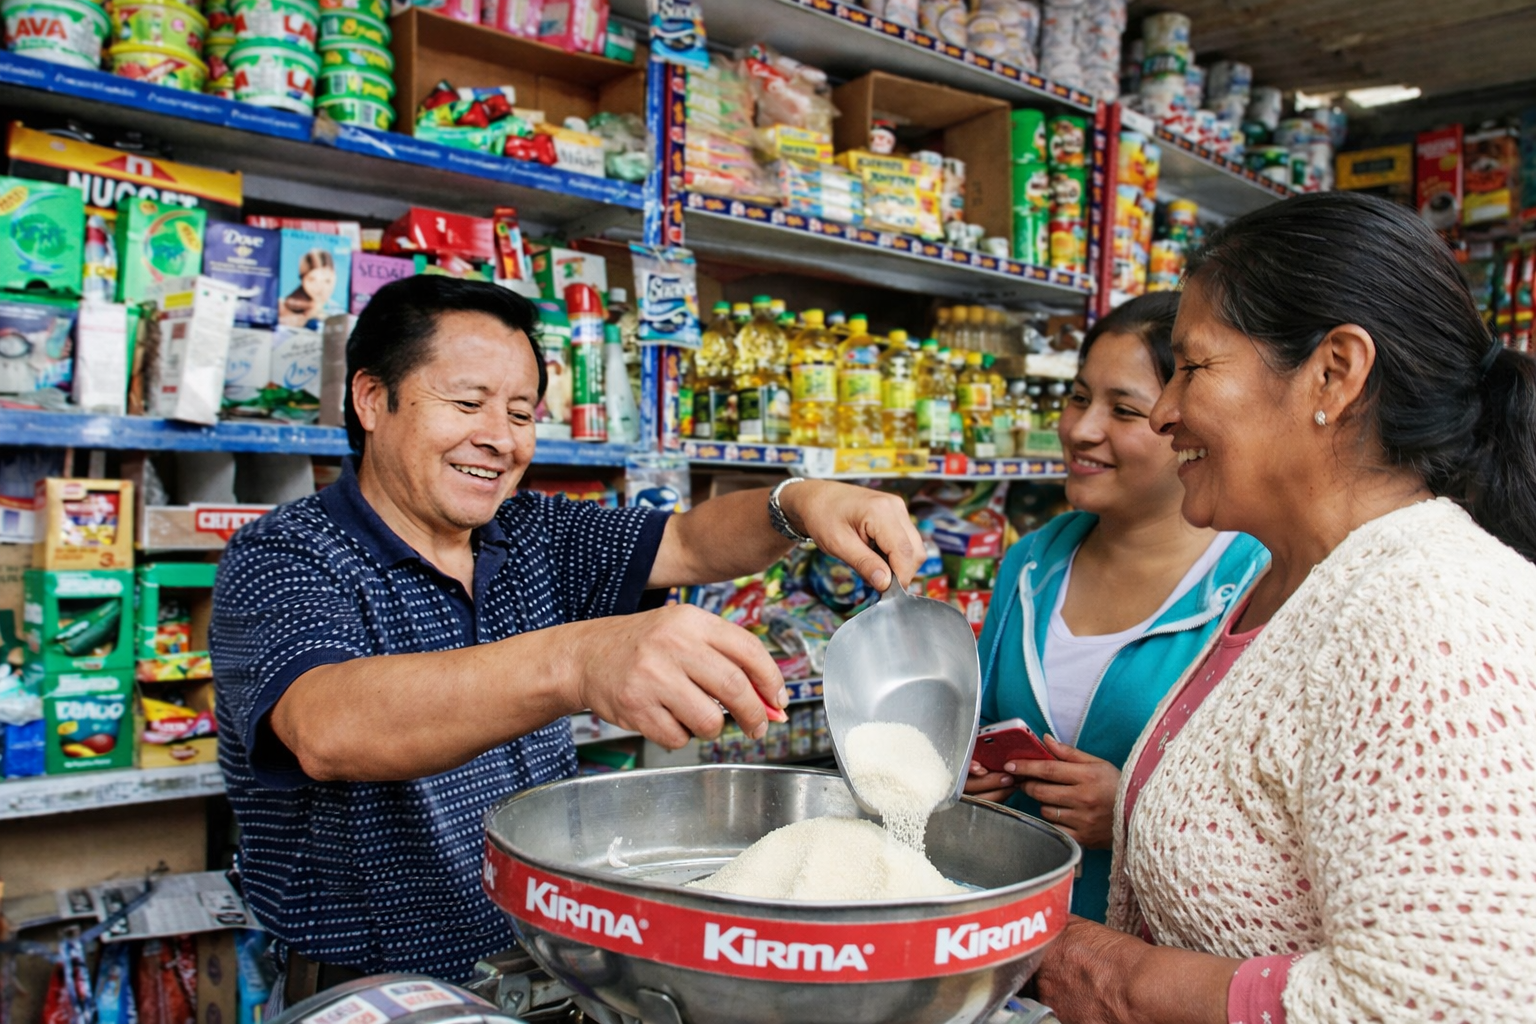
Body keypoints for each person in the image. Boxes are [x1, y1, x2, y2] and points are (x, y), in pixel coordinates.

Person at [210, 276, 923, 997]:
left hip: (557, 974)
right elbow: (325, 728)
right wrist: (578, 661)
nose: (498, 437)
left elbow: (692, 541)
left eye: (521, 413)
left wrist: (797, 502)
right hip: (379, 994)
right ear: (372, 399)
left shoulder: (531, 533)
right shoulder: (284, 556)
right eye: (466, 403)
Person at [1033, 192, 1536, 1023]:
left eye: (1191, 369)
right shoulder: (1287, 586)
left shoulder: (1433, 616)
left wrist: (1106, 973)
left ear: (1334, 373)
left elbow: (1448, 1002)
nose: (1166, 412)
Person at [965, 293, 1266, 922]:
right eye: (1078, 397)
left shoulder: (1256, 579)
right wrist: (963, 774)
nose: (1080, 429)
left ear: (1185, 418)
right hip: (1011, 920)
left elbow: (1278, 818)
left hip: (1158, 958)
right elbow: (981, 723)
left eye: (1123, 409)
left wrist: (1136, 813)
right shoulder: (1030, 562)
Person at [280, 249, 337, 327]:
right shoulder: (283, 307)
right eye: (312, 280)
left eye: (327, 280)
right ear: (302, 279)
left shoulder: (337, 310)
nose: (320, 287)